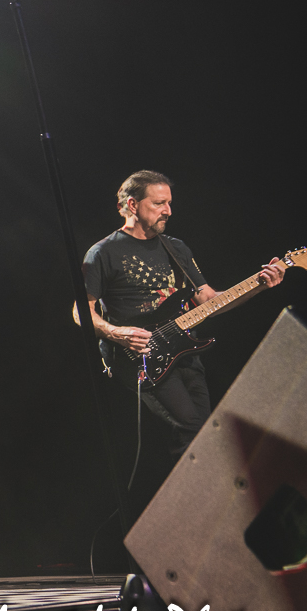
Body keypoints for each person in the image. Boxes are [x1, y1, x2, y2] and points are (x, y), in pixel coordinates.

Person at [81, 170, 285, 456]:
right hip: (140, 356)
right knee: (192, 428)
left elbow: (208, 301)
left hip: (185, 351)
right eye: (159, 203)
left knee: (204, 432)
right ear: (132, 205)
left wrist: (259, 286)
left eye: (169, 203)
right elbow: (81, 311)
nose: (168, 211)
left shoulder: (175, 247)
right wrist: (118, 333)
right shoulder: (103, 252)